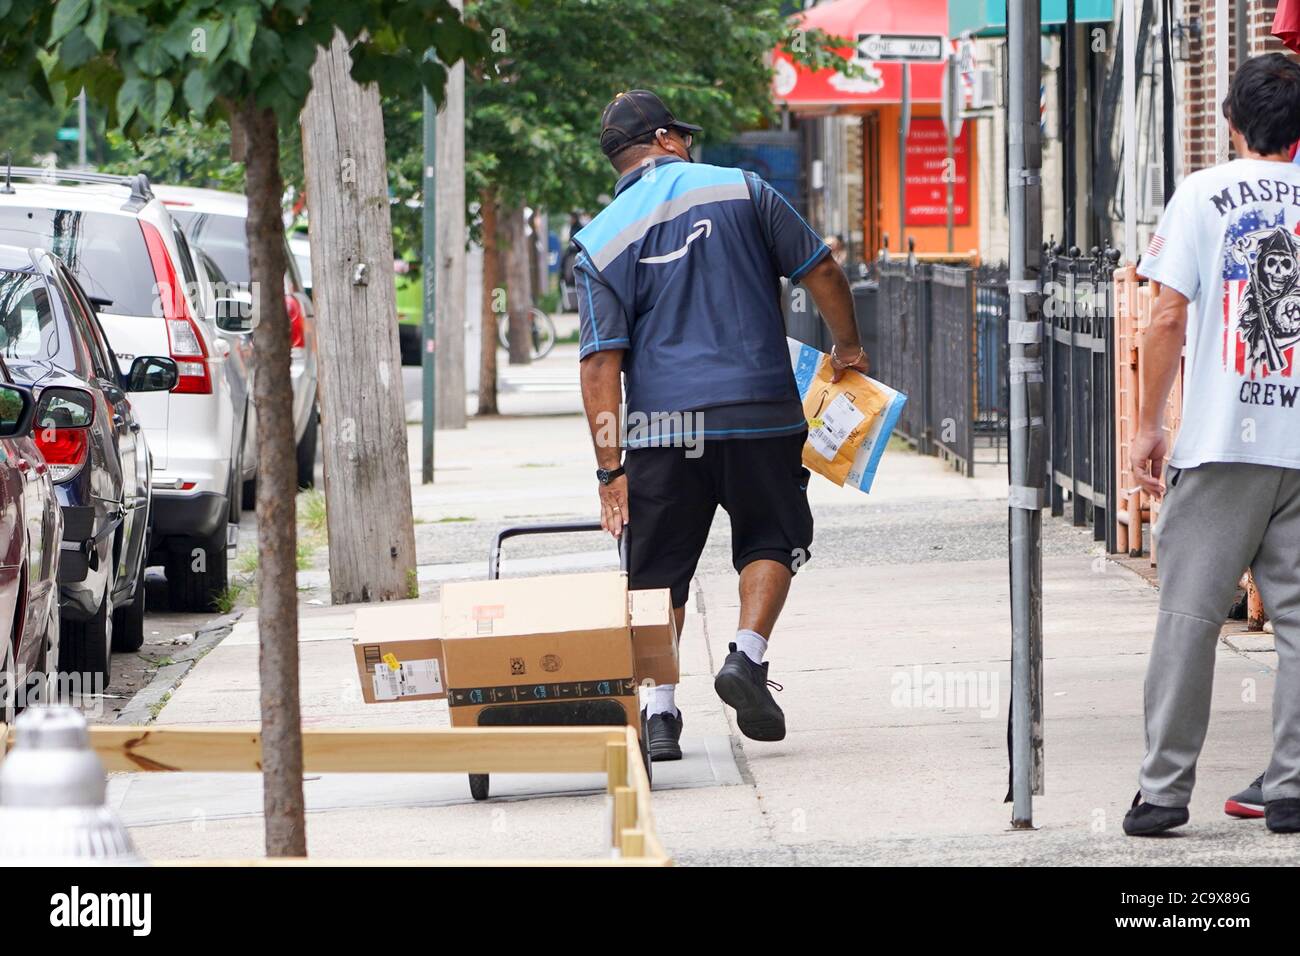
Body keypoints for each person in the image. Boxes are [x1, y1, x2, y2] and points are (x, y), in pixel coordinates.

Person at [573, 90, 865, 760]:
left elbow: (600, 367)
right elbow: (819, 269)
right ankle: (747, 657)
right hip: (759, 411)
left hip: (661, 429)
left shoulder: (599, 239)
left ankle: (659, 714)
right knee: (771, 534)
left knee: (655, 571)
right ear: (669, 138)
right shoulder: (744, 189)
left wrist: (610, 471)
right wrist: (846, 345)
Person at [1123, 53, 1300, 836]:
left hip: (1227, 438)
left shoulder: (1202, 192)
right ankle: (1292, 785)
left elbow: (1165, 317)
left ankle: (1164, 791)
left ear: (1231, 121)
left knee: (1190, 616)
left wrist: (1149, 424)